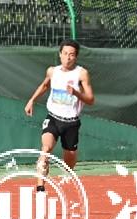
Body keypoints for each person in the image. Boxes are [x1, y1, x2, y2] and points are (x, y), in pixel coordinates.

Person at [23, 39, 95, 192]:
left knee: (69, 160)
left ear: (76, 57)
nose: (68, 58)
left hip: (71, 122)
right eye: (65, 53)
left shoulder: (81, 74)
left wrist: (76, 93)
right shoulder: (52, 71)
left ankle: (66, 176)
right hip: (53, 118)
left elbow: (90, 100)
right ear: (60, 54)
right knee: (45, 149)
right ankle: (40, 187)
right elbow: (45, 85)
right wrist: (31, 100)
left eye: (72, 55)